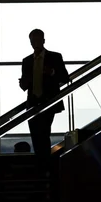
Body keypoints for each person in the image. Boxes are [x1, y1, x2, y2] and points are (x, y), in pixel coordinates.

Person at [19, 29, 70, 157]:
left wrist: (52, 72)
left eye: (37, 40)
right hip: (32, 103)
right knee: (36, 136)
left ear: (43, 41)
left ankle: (45, 164)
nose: (35, 43)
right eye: (33, 41)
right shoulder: (27, 61)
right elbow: (24, 84)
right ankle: (42, 164)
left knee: (43, 133)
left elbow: (65, 77)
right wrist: (24, 82)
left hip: (48, 102)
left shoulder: (55, 57)